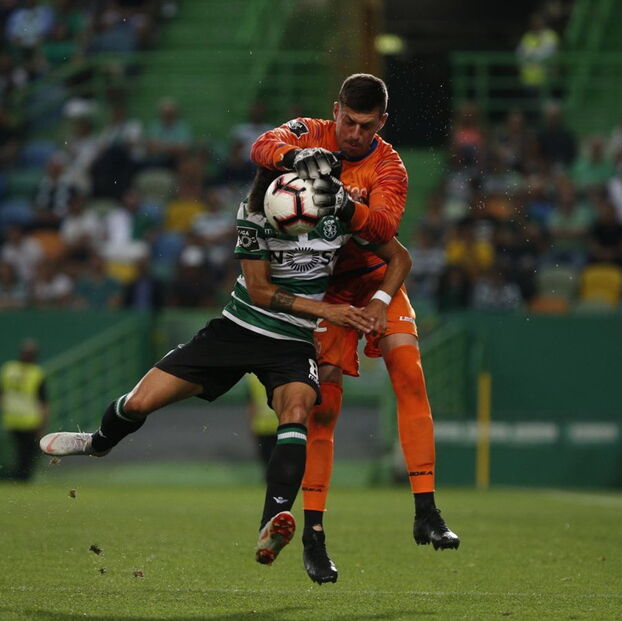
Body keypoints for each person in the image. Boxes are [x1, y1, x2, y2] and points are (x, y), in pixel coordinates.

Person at [40, 168, 412, 568]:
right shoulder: (252, 214)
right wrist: (329, 311)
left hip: (292, 342)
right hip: (236, 330)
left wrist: (379, 302)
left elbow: (400, 258)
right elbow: (261, 291)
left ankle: (272, 524)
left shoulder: (342, 214)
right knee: (138, 403)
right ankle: (98, 443)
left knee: (298, 410)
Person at [249, 73, 460, 585]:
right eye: (348, 121)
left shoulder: (389, 165)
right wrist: (294, 159)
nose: (354, 133)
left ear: (382, 122)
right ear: (336, 110)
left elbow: (385, 229)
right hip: (323, 289)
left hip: (373, 280)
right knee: (323, 409)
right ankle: (314, 537)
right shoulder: (310, 133)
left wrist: (343, 204)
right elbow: (261, 147)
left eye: (367, 126)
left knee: (409, 373)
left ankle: (427, 510)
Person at [0, 339, 48, 481]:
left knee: (21, 452)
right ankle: (22, 478)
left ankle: (19, 478)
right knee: (26, 453)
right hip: (28, 420)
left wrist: (4, 408)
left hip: (14, 419)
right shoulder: (36, 373)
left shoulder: (8, 369)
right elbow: (43, 401)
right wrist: (43, 422)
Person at [247, 372, 278, 474]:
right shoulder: (283, 373)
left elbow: (251, 404)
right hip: (279, 424)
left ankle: (271, 479)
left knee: (267, 459)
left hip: (262, 426)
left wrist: (252, 424)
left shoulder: (252, 378)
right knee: (280, 458)